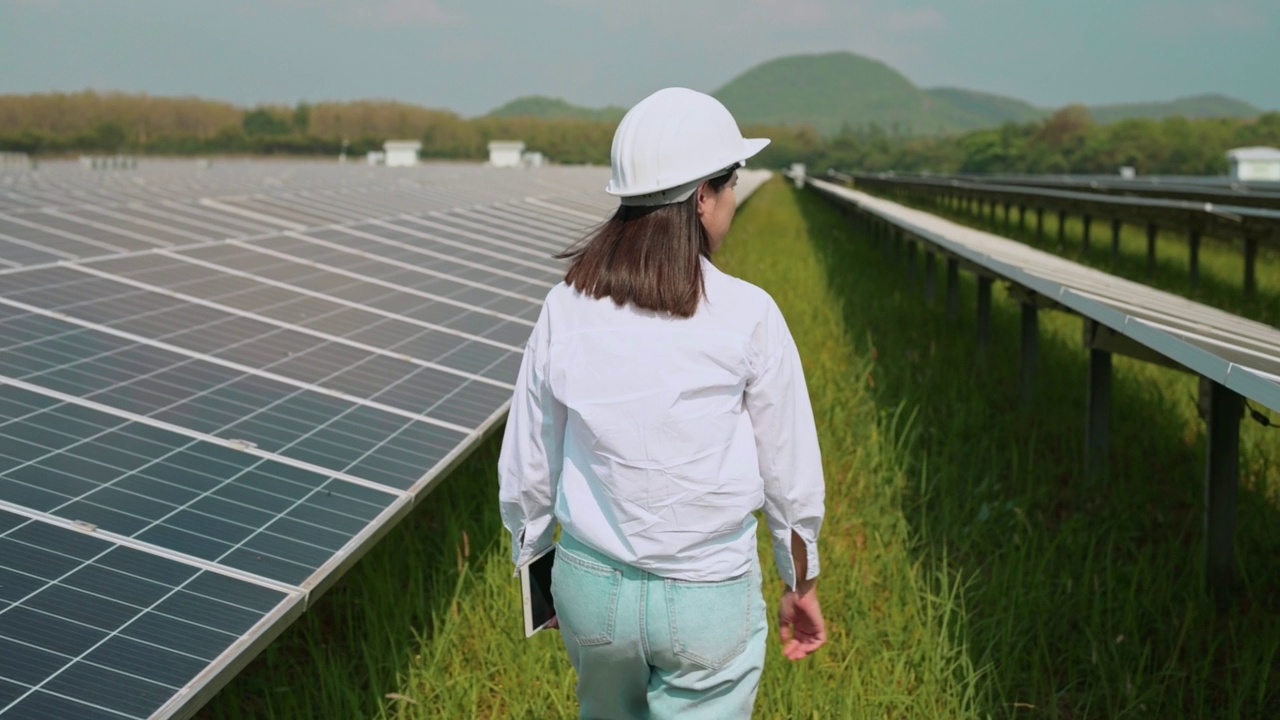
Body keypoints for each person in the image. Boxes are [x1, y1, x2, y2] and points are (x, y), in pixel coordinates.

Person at [498, 87, 826, 719]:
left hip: (590, 590)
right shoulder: (748, 313)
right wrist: (799, 581)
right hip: (707, 597)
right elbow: (790, 475)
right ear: (703, 197)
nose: (733, 197)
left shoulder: (564, 306)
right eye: (730, 182)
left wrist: (539, 577)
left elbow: (528, 466)